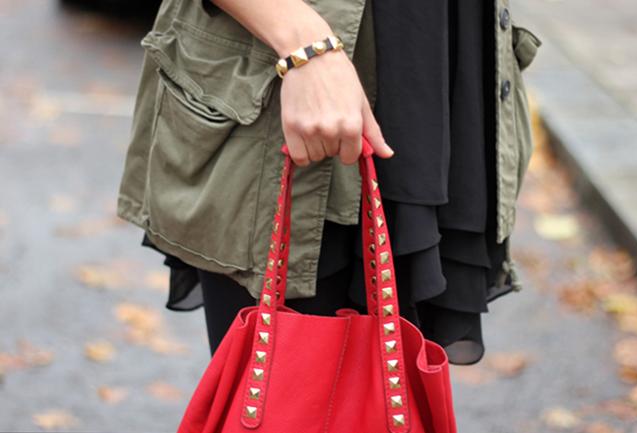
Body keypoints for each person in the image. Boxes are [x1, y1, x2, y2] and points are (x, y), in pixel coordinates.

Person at [117, 0, 541, 366]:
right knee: (287, 397)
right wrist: (302, 43)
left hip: (441, 87)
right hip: (290, 83)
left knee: (385, 399)